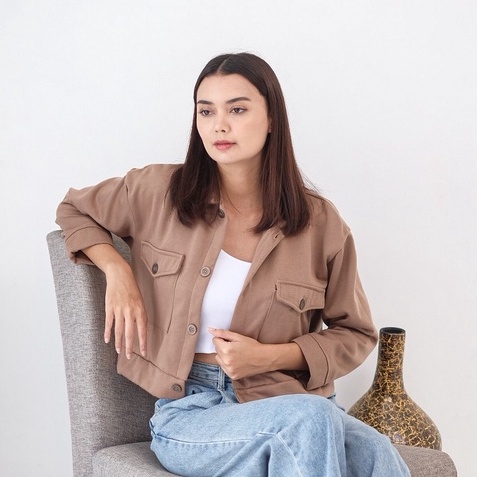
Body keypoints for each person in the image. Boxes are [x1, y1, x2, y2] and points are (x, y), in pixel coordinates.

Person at [56, 52, 410, 476]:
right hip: (193, 413)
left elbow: (355, 333)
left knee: (376, 452)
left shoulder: (320, 224)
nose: (219, 125)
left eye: (237, 110)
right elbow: (73, 208)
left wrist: (269, 357)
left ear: (272, 118)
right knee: (308, 420)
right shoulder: (157, 191)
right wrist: (117, 270)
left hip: (288, 399)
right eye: (206, 111)